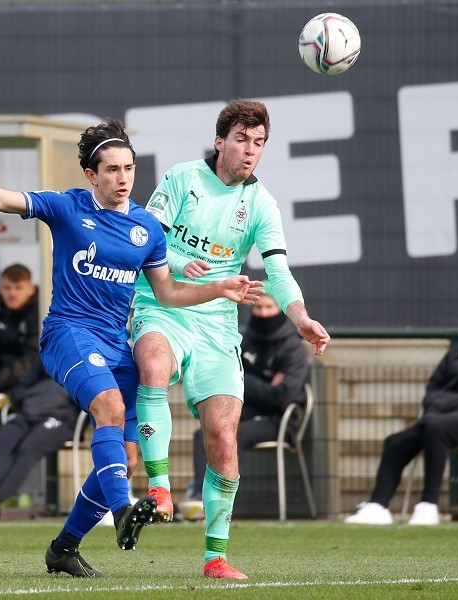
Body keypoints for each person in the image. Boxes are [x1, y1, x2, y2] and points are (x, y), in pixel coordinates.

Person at [0, 117, 262, 578]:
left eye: (129, 169)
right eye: (112, 170)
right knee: (108, 406)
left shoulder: (147, 227)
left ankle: (64, 547)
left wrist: (220, 288)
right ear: (92, 175)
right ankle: (123, 513)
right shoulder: (67, 207)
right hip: (67, 333)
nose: (123, 179)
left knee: (126, 455)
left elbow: (168, 293)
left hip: (114, 343)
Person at [130, 99, 330, 579]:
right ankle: (159, 487)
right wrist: (178, 265)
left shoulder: (261, 204)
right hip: (161, 304)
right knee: (154, 367)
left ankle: (215, 557)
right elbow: (146, 236)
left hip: (217, 325)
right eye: (241, 139)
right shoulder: (183, 179)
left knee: (222, 437)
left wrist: (300, 317)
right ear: (220, 141)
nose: (250, 150)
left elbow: (278, 271)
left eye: (259, 142)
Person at [345, 300, 458, 526]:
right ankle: (378, 506)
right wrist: (435, 408)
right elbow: (435, 386)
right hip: (442, 416)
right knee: (395, 442)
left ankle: (428, 506)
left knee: (436, 429)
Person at [0, 263, 79, 504]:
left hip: (61, 417)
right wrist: (15, 399)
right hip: (26, 409)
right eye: (7, 287)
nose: (12, 293)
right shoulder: (48, 339)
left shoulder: (78, 346)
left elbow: (83, 389)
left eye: (18, 287)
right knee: (4, 439)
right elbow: (27, 375)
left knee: (28, 448)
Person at [184, 287, 310, 515]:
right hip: (246, 411)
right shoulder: (243, 341)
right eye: (258, 307)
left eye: (269, 307)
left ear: (279, 310)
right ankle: (198, 495)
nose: (262, 313)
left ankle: (220, 504)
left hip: (279, 422)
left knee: (229, 436)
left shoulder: (293, 349)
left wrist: (245, 380)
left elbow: (281, 397)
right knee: (206, 431)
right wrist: (261, 382)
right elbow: (226, 378)